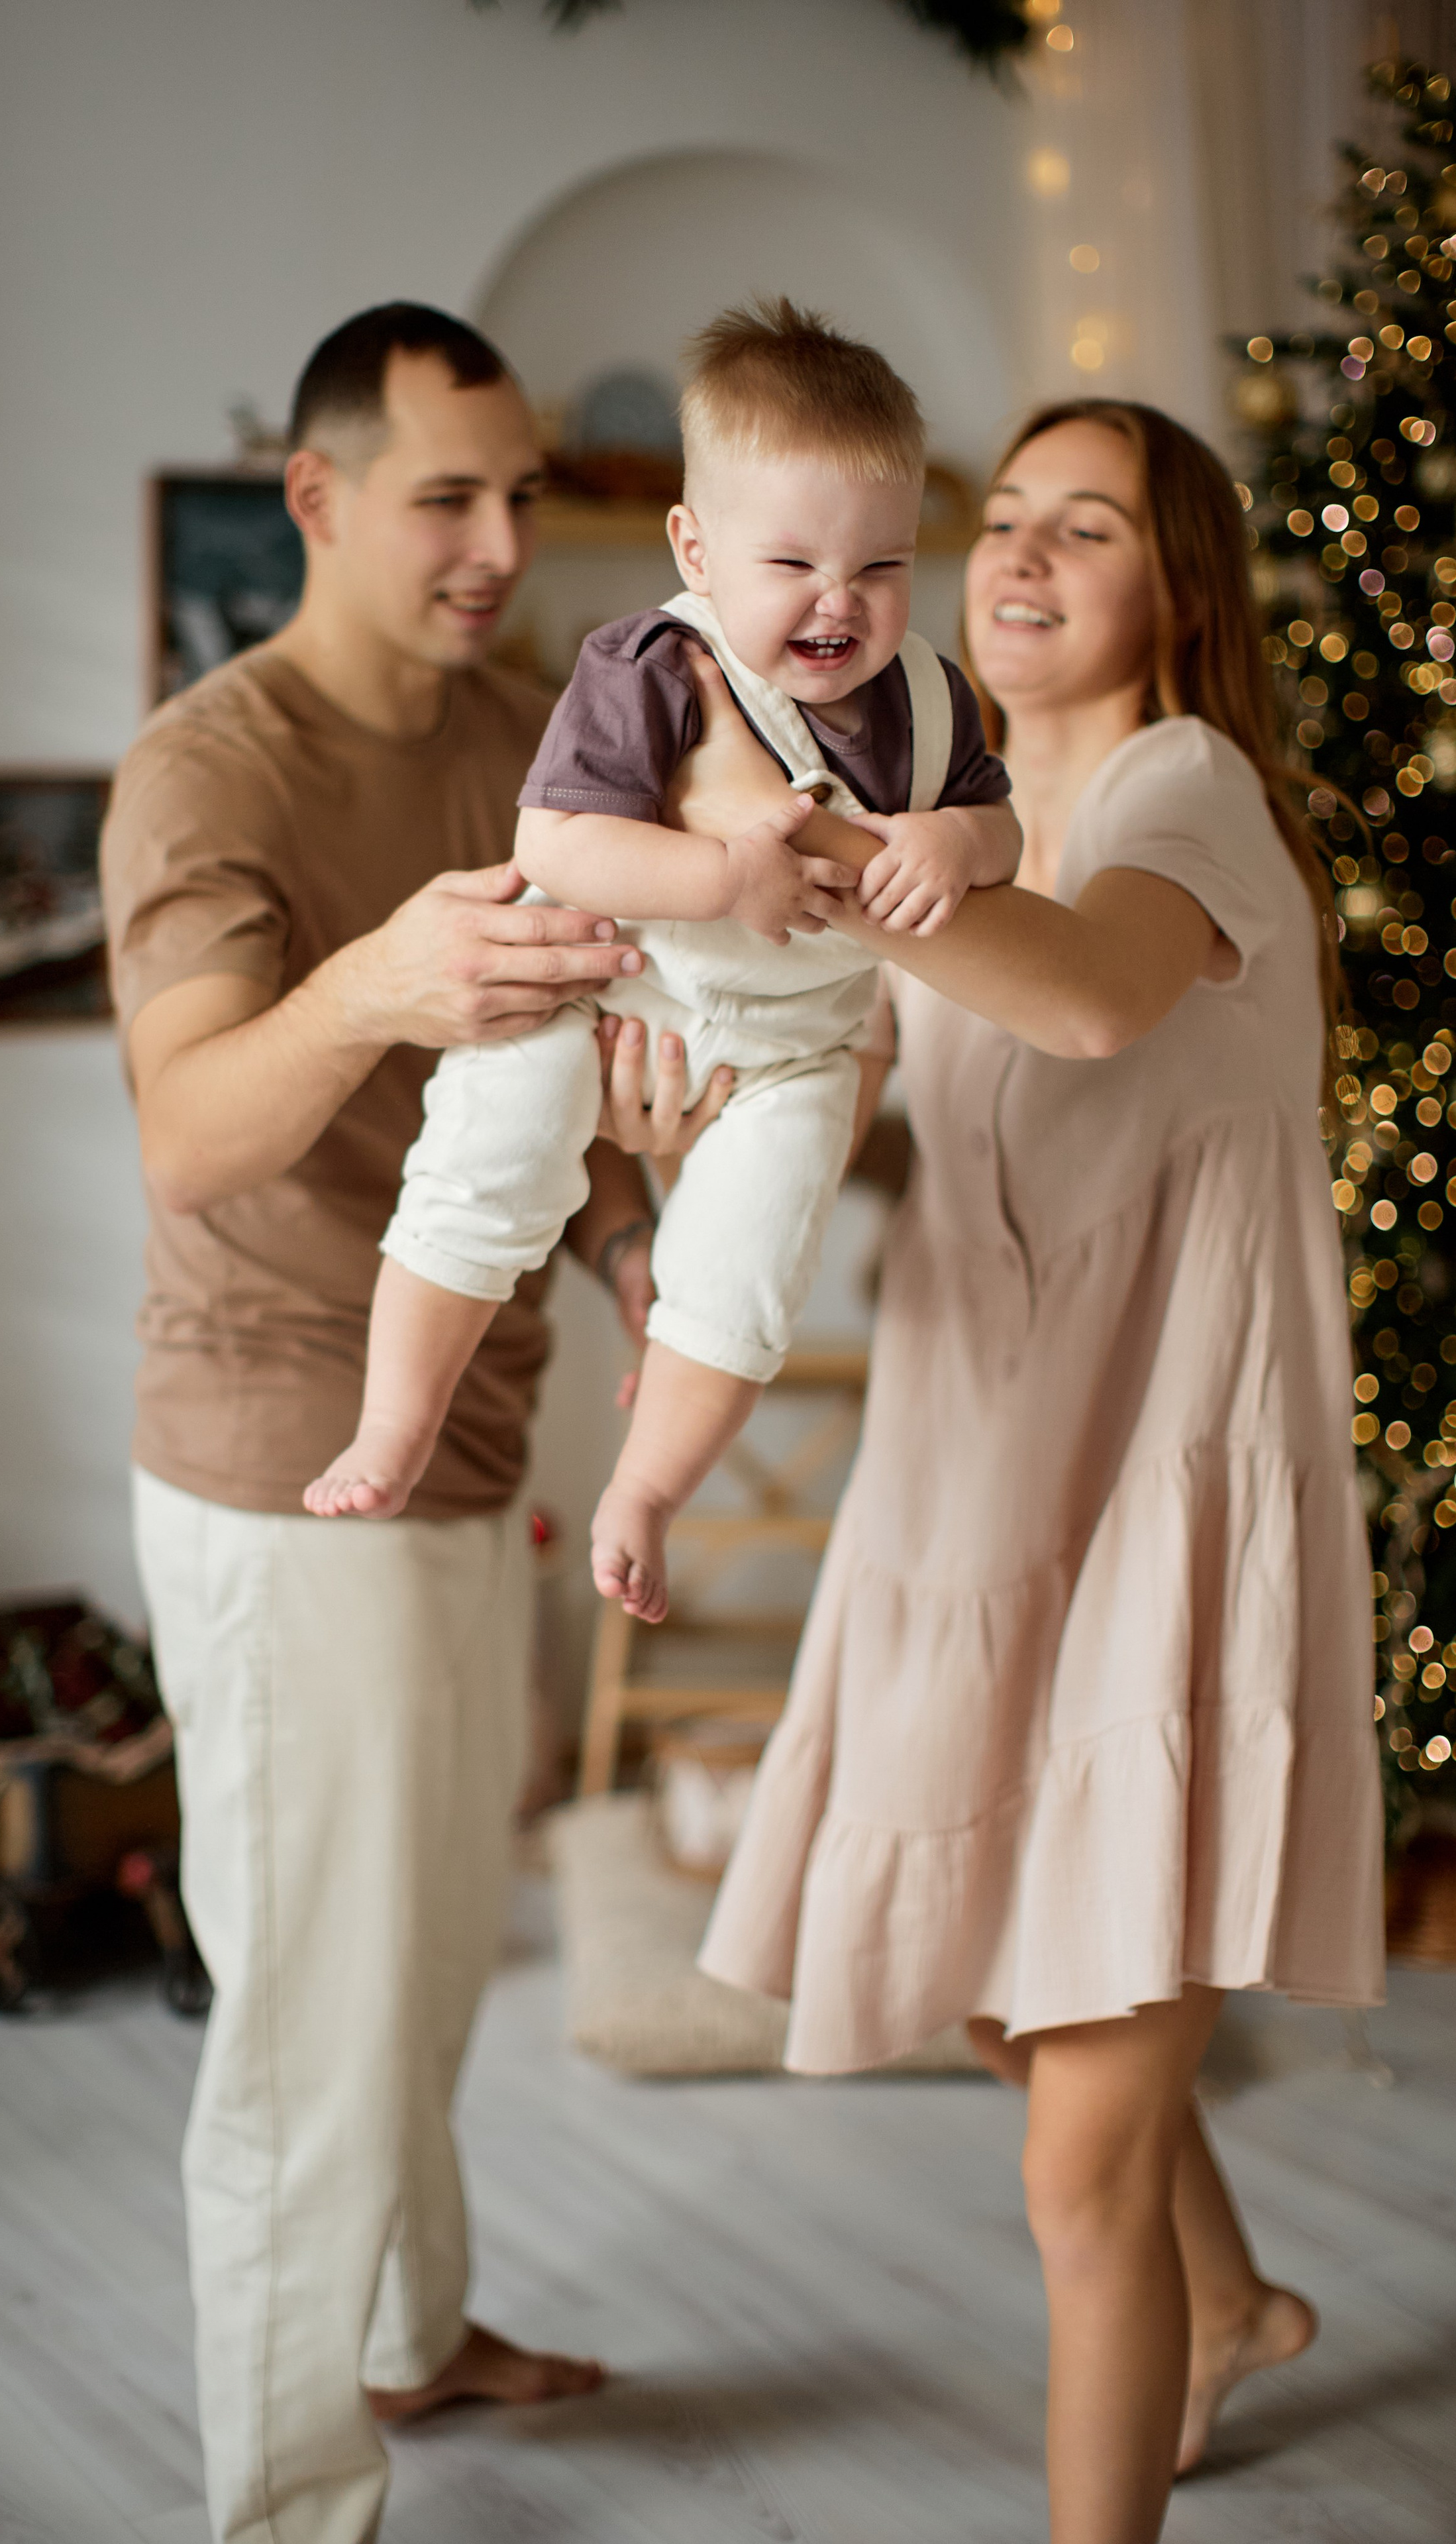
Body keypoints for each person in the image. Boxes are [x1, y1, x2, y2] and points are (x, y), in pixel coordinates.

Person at [683, 400, 1386, 2544]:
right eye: (1003, 521)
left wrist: (809, 852)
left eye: (1086, 526)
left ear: (1175, 587)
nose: (1022, 555)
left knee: (1072, 2161)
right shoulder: (972, 801)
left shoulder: (1187, 789)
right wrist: (688, 1158)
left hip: (1151, 1491)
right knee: (1003, 1988)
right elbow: (940, 1121)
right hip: (985, 1473)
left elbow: (1083, 1006)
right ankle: (1242, 2301)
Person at [101, 301, 723, 2544]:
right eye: (446, 496)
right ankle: (287, 2505)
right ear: (321, 498)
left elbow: (575, 1094)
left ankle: (410, 2338)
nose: (491, 544)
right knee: (309, 2028)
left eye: (520, 494)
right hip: (281, 1460)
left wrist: (647, 1246)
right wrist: (375, 980)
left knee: (436, 1955)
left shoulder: (526, 739)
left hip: (474, 1441)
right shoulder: (211, 769)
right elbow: (189, 1134)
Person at [305, 302, 1019, 1630]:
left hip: (792, 1056)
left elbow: (1003, 825)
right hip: (602, 991)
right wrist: (716, 877)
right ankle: (395, 1424)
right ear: (694, 546)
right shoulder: (649, 667)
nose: (837, 601)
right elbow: (555, 842)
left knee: (747, 1265)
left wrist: (954, 837)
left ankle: (644, 1491)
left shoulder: (932, 697)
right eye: (793, 561)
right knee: (485, 1163)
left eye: (880, 566)